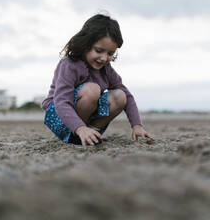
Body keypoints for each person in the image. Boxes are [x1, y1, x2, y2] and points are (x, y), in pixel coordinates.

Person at [42, 13, 153, 149]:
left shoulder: (106, 70)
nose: (104, 58)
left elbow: (128, 97)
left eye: (110, 53)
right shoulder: (69, 65)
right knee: (92, 90)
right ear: (85, 44)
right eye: (99, 50)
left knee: (120, 95)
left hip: (86, 119)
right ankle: (78, 133)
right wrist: (80, 128)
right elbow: (61, 102)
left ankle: (92, 133)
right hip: (58, 116)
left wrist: (137, 125)